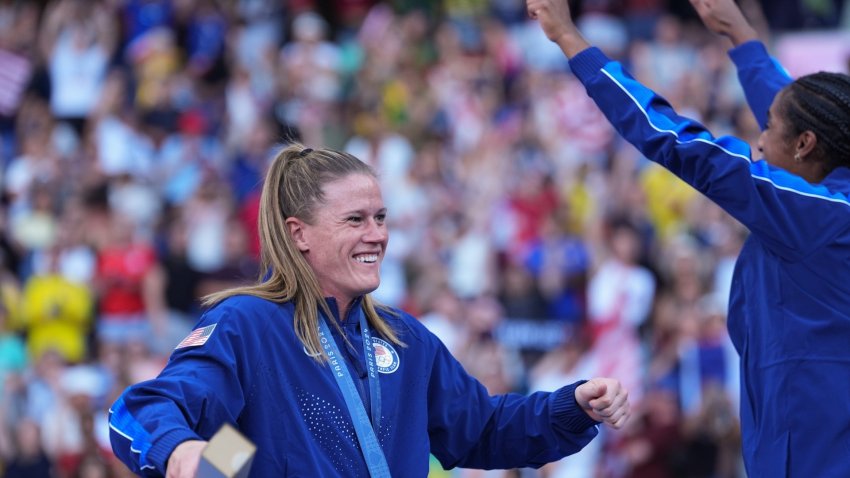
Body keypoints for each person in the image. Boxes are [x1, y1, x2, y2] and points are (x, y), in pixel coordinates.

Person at [108, 143, 630, 477]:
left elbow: (482, 428)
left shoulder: (403, 339)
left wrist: (572, 407)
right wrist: (181, 453)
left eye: (381, 217)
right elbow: (140, 411)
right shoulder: (248, 325)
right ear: (300, 235)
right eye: (355, 219)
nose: (377, 235)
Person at [525, 0, 850, 476]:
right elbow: (801, 115)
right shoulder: (828, 194)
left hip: (810, 448)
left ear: (804, 145)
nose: (759, 142)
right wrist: (742, 39)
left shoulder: (813, 213)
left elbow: (678, 142)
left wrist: (570, 41)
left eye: (767, 130)